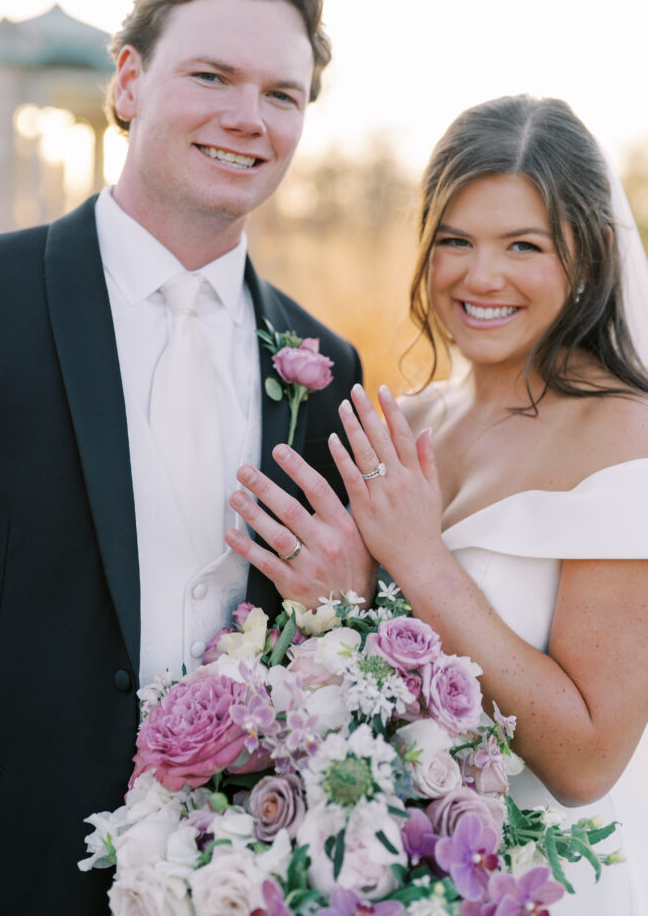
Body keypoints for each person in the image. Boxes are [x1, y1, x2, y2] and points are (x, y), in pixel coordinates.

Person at [0, 0, 374, 915]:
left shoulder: (326, 371)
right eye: (210, 76)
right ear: (128, 82)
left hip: (229, 877)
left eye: (281, 95)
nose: (248, 118)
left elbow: (330, 639)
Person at [227, 96, 648, 913]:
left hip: (547, 887)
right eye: (453, 240)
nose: (478, 276)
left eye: (522, 245)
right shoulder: (398, 423)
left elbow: (587, 762)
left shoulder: (627, 439)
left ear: (590, 254)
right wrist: (344, 606)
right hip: (390, 876)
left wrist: (418, 561)